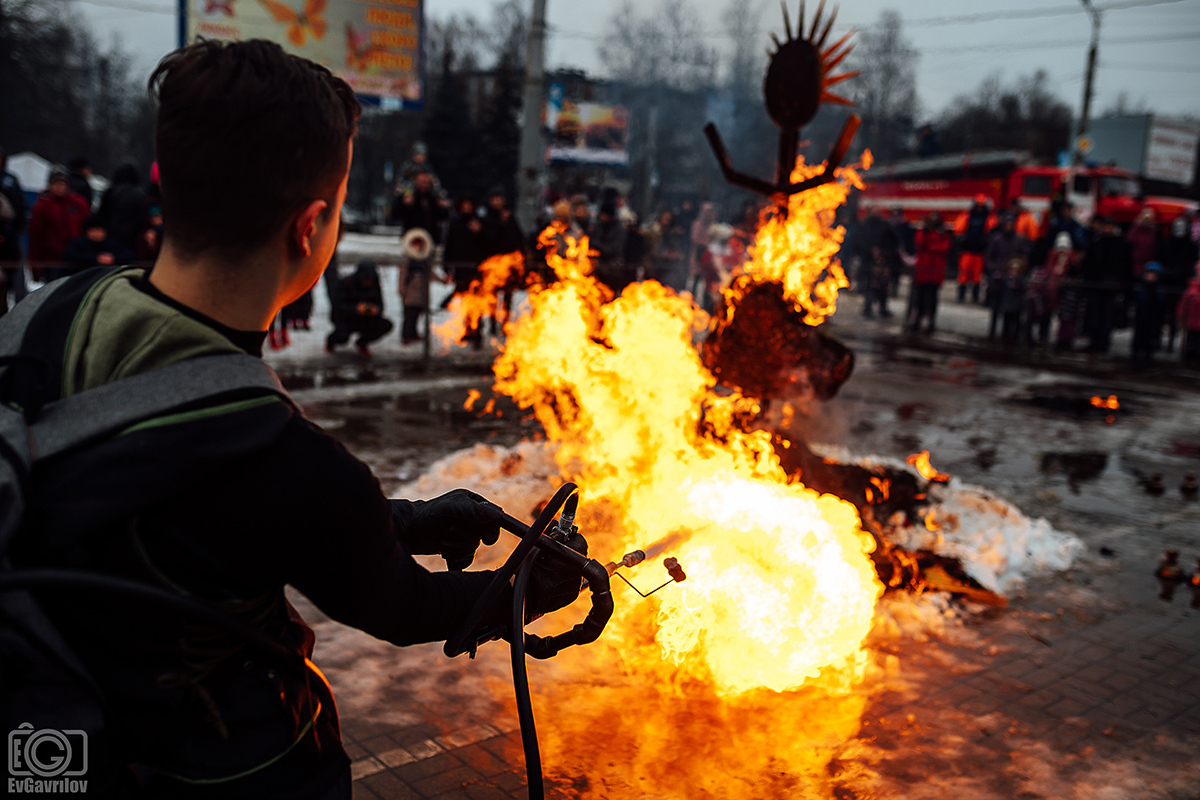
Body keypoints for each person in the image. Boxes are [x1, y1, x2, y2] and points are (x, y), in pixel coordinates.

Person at [1, 39, 580, 798]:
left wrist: (395, 518)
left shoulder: (47, 316)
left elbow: (188, 515)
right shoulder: (281, 459)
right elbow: (400, 606)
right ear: (311, 229)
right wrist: (527, 589)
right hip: (227, 770)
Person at [1080, 216, 1133, 354]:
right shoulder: (1095, 242)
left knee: (1108, 316)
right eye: (1106, 226)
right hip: (1096, 284)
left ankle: (1104, 343)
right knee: (1095, 315)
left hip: (1112, 286)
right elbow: (1088, 263)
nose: (1108, 229)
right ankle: (1094, 341)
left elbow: (1126, 266)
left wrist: (1123, 284)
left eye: (1110, 226)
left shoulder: (1122, 243)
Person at [28, 166, 90, 282]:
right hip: (52, 259)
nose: (60, 188)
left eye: (62, 184)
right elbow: (35, 236)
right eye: (56, 184)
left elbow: (87, 228)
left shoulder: (78, 204)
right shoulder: (42, 207)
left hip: (76, 259)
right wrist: (35, 266)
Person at [326, 259, 394, 356]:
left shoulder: (374, 286)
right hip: (347, 319)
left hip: (366, 319)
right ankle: (331, 342)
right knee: (342, 337)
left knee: (385, 325)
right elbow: (338, 307)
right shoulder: (346, 283)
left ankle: (362, 342)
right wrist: (355, 309)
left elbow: (380, 305)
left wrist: (374, 309)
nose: (367, 282)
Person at [442, 196, 486, 344]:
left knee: (476, 302)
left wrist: (479, 232)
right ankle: (467, 329)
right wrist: (447, 267)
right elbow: (449, 245)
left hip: (476, 269)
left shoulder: (478, 222)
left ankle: (477, 331)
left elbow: (487, 243)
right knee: (465, 301)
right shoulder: (455, 223)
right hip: (461, 268)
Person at [1157, 214, 1198, 353]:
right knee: (1162, 312)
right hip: (1166, 282)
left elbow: (1191, 264)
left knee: (1177, 314)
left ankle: (1171, 342)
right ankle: (1158, 340)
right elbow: (1160, 259)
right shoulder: (1166, 243)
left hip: (1181, 284)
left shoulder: (1190, 245)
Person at [984, 214, 1029, 339]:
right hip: (997, 278)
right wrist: (993, 270)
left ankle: (1006, 333)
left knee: (1010, 308)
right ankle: (992, 330)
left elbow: (1024, 257)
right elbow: (989, 257)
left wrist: (1018, 269)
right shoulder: (996, 239)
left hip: (1012, 278)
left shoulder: (1018, 241)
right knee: (995, 307)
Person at [910, 211, 950, 334]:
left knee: (932, 297)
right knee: (919, 297)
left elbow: (945, 246)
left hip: (935, 269)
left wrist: (931, 247)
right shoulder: (924, 231)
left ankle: (931, 321)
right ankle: (917, 319)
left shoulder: (943, 232)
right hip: (923, 268)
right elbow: (919, 243)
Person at [0, 147, 28, 312]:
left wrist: (16, 227)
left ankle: (19, 309)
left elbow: (21, 206)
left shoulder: (10, 180)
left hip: (9, 234)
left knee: (14, 277)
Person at [99, 162, 150, 250]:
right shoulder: (141, 193)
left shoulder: (111, 191)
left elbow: (103, 213)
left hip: (113, 233)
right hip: (135, 234)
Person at [954, 195, 994, 303]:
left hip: (979, 252)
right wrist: (961, 240)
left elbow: (992, 232)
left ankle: (975, 297)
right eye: (978, 205)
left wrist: (986, 242)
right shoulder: (966, 216)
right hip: (966, 251)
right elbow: (958, 230)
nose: (979, 208)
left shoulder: (989, 218)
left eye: (981, 205)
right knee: (963, 275)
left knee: (977, 277)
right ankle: (961, 295)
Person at [61, 214, 136, 271]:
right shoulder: (79, 243)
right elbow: (69, 255)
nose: (96, 233)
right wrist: (96, 259)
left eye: (99, 230)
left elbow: (130, 254)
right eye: (93, 230)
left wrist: (113, 258)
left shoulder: (112, 243)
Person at [1130, 261, 1167, 369]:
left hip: (1152, 319)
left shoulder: (1158, 289)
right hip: (1141, 317)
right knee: (1139, 337)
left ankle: (1147, 358)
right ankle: (1136, 357)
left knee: (1149, 338)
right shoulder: (1141, 287)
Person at [591, 200, 627, 293]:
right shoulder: (599, 226)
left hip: (612, 270)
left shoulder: (618, 230)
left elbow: (613, 249)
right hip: (598, 270)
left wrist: (598, 245)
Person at [645, 209, 686, 292]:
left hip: (668, 270)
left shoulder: (671, 234)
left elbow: (679, 251)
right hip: (653, 268)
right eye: (666, 219)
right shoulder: (653, 232)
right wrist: (662, 254)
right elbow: (649, 251)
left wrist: (676, 255)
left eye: (669, 220)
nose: (667, 222)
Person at [1126, 207, 1158, 279]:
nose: (1147, 221)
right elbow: (1129, 242)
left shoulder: (1154, 232)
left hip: (1149, 264)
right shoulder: (1134, 230)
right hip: (1135, 263)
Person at [1178, 275, 1200, 366]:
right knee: (1190, 343)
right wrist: (1180, 317)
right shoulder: (1191, 291)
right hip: (1191, 323)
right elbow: (1183, 306)